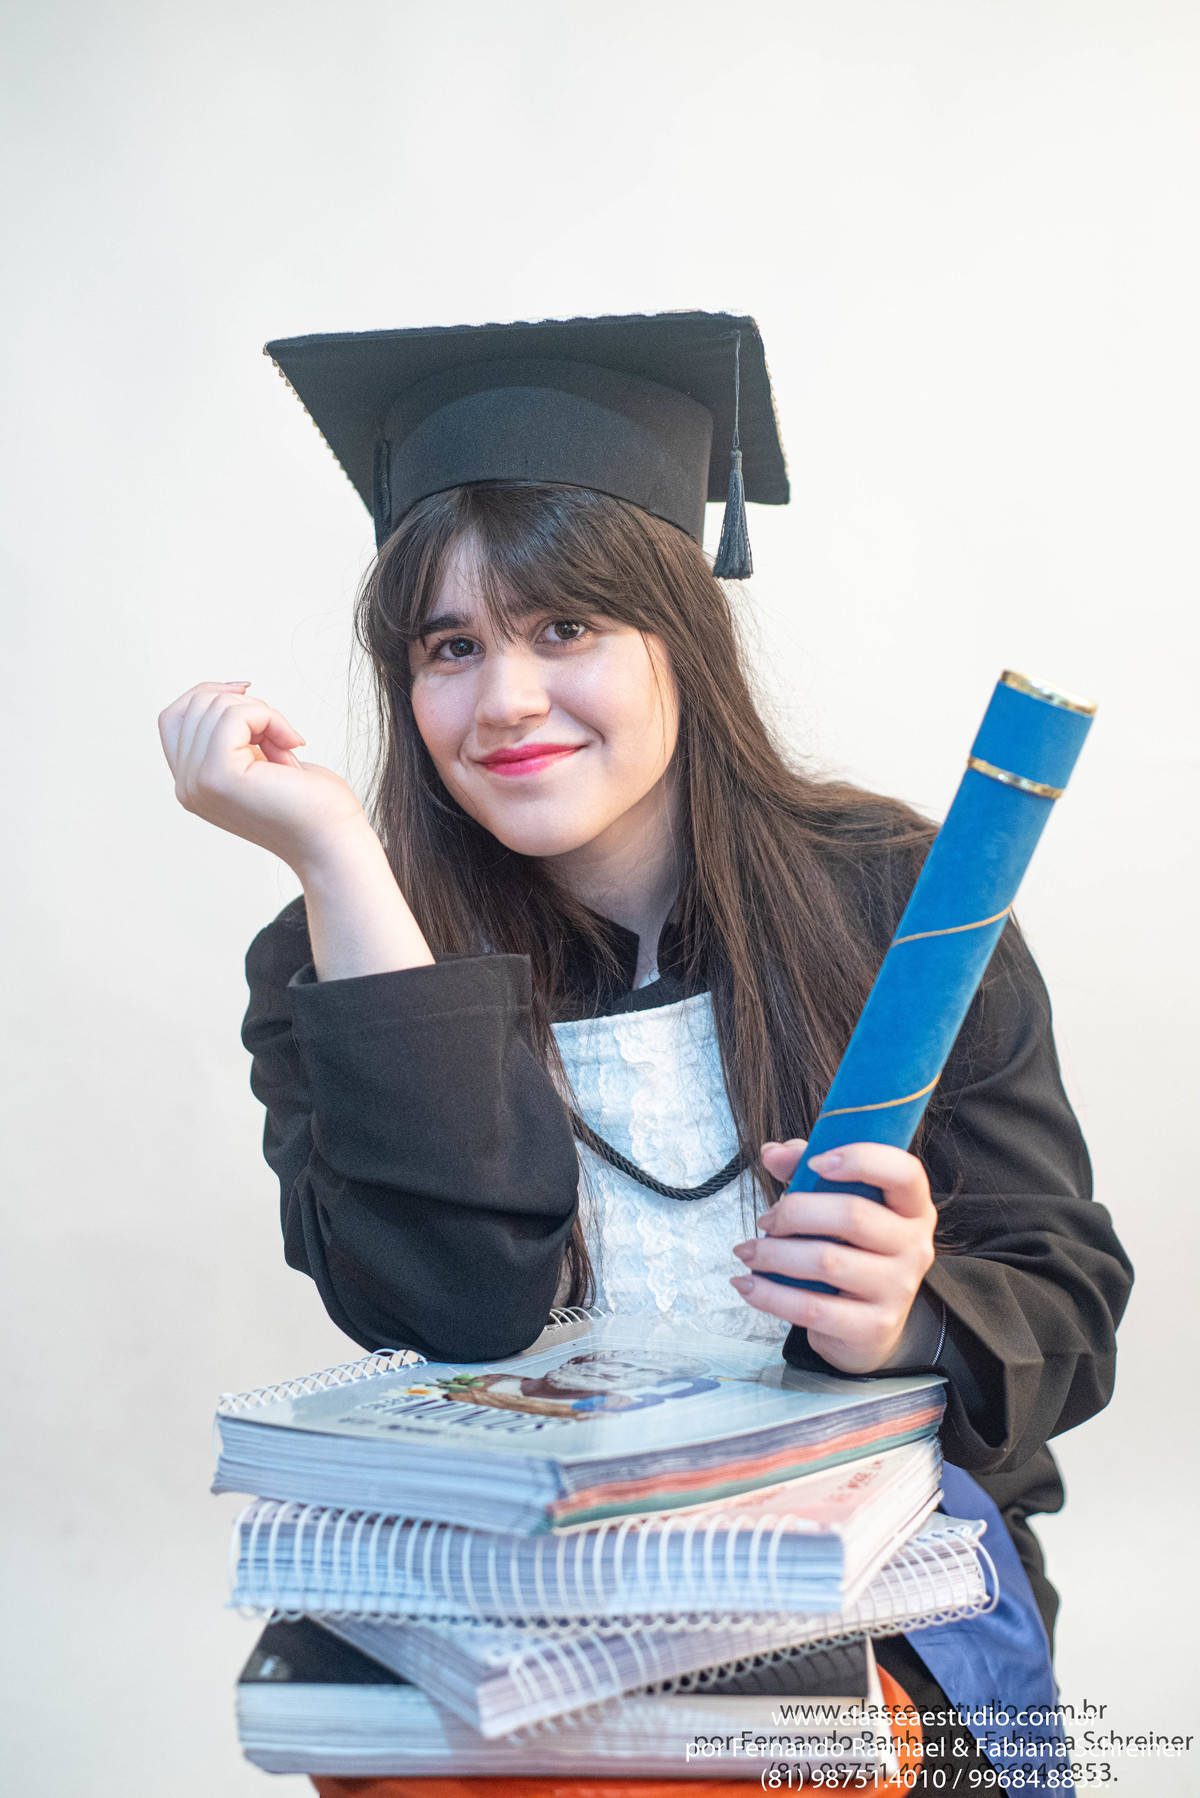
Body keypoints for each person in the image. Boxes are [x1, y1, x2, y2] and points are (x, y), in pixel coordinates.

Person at [158, 312, 1132, 1780]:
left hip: (865, 1612)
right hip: (522, 1624)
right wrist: (340, 861)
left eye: (565, 627)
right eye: (449, 646)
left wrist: (913, 1314)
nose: (506, 701)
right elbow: (458, 1312)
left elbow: (1072, 1296)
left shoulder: (900, 902)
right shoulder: (337, 961)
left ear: (683, 632)